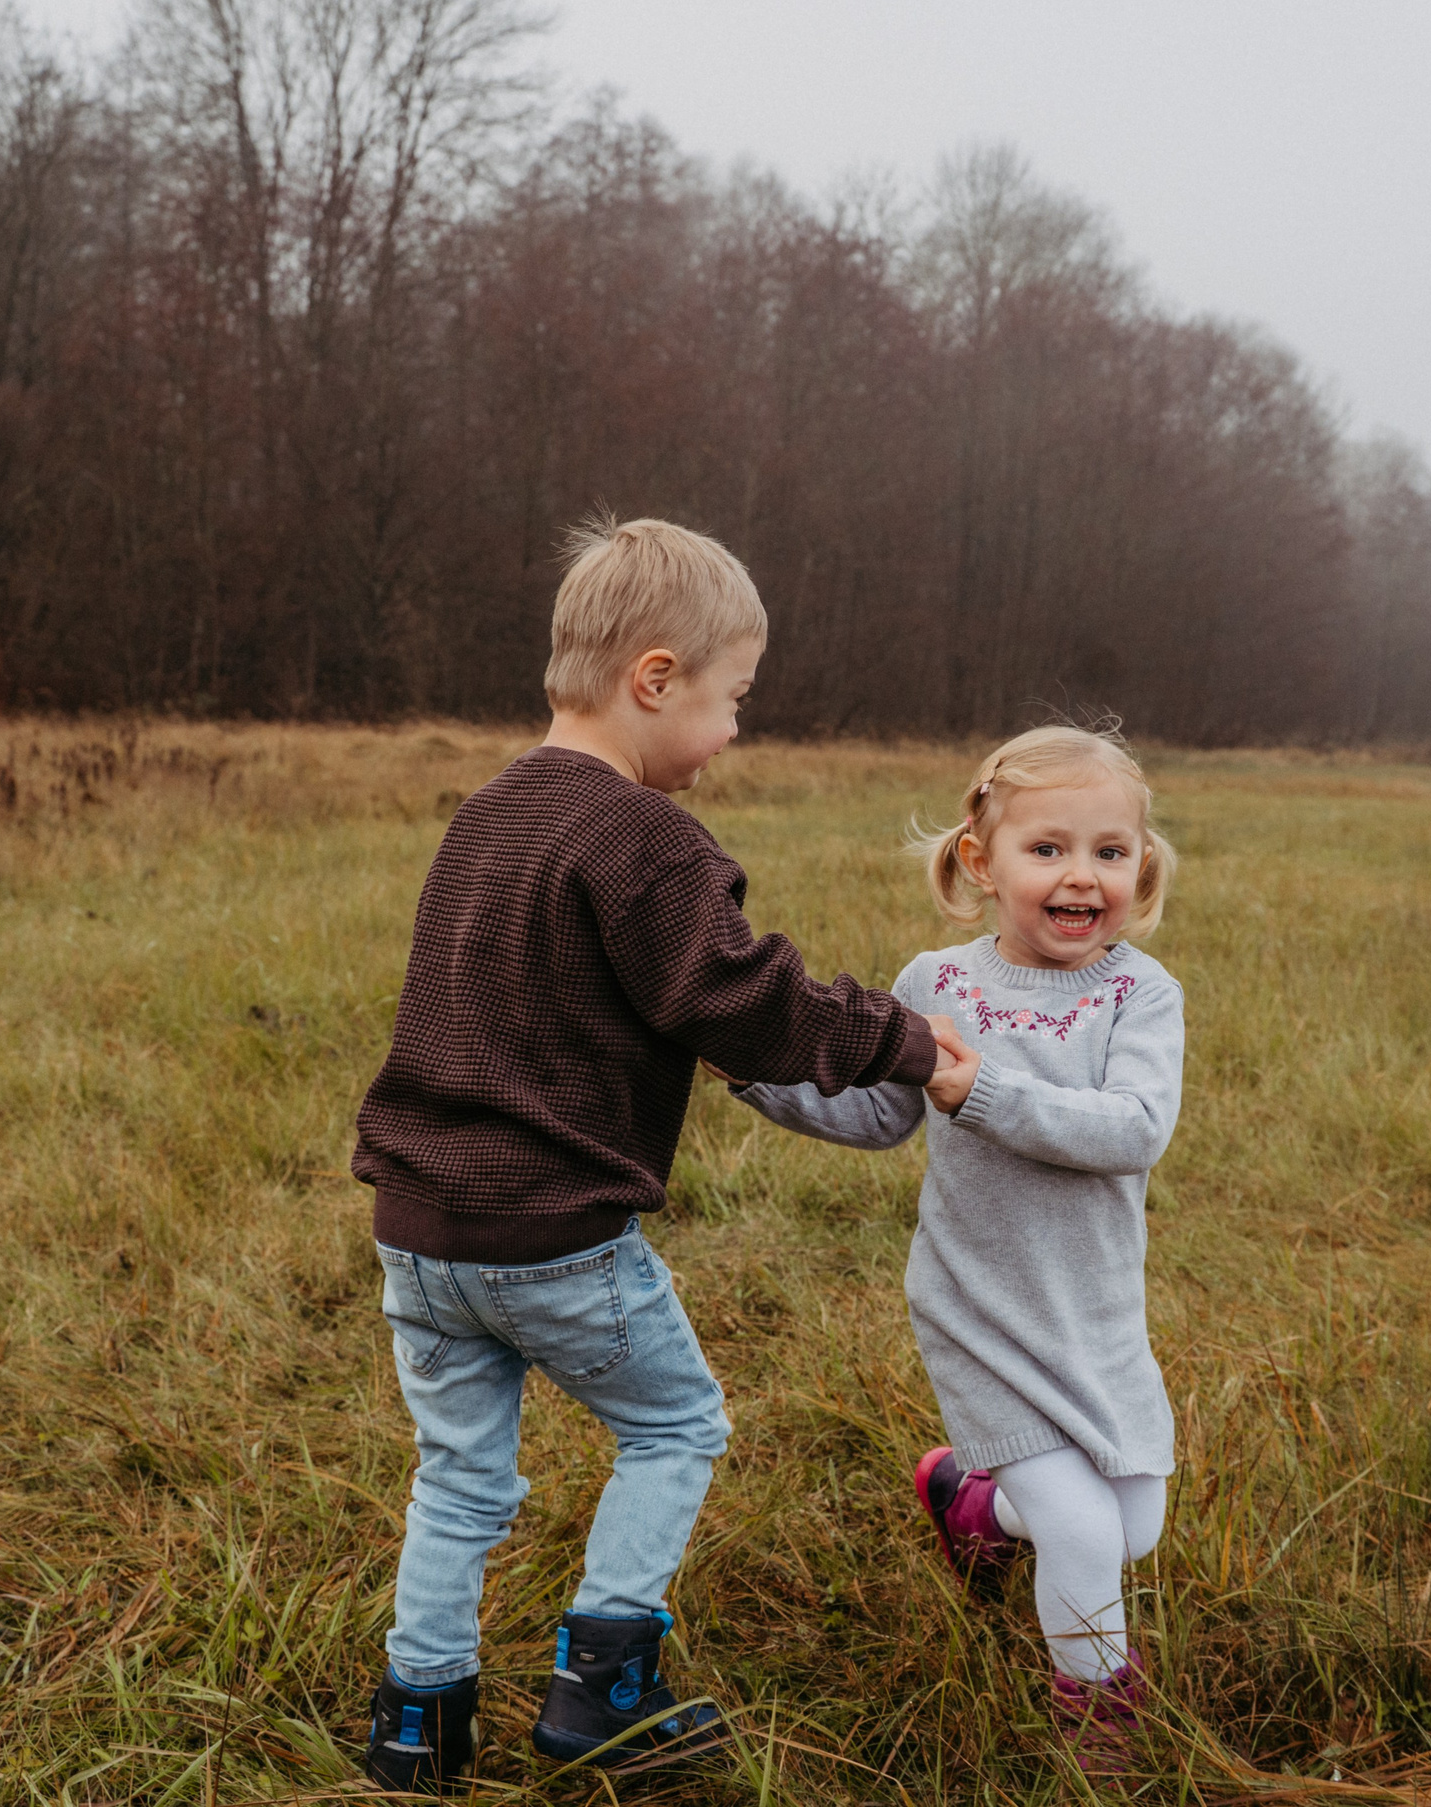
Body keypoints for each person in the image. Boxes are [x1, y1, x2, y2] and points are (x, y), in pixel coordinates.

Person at [348, 517, 970, 1793]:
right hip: (552, 1233)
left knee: (458, 1478)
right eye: (733, 697)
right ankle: (603, 1687)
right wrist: (902, 1040)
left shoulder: (487, 813)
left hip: (418, 1232)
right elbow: (740, 996)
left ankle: (418, 1719)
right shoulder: (641, 834)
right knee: (676, 1424)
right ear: (654, 678)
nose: (734, 729)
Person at [729, 724, 1185, 1770]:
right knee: (1081, 1535)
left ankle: (972, 1505)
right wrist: (756, 1075)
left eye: (1110, 851)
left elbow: (1132, 1129)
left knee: (1132, 1527)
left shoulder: (1141, 994)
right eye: (1048, 848)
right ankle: (1099, 1725)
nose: (1082, 875)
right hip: (977, 1303)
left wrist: (979, 1088)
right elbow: (880, 1114)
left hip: (1093, 1312)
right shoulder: (937, 981)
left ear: (1142, 864)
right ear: (981, 861)